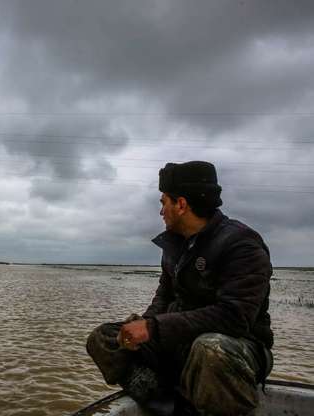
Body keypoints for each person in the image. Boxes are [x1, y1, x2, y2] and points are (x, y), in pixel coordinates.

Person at [86, 161, 273, 415]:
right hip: (179, 341)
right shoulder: (174, 246)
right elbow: (163, 297)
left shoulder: (242, 245)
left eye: (164, 202)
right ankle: (167, 405)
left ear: (181, 204)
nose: (161, 211)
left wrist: (153, 328)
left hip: (237, 349)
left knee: (209, 350)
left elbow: (234, 317)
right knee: (104, 338)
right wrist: (143, 325)